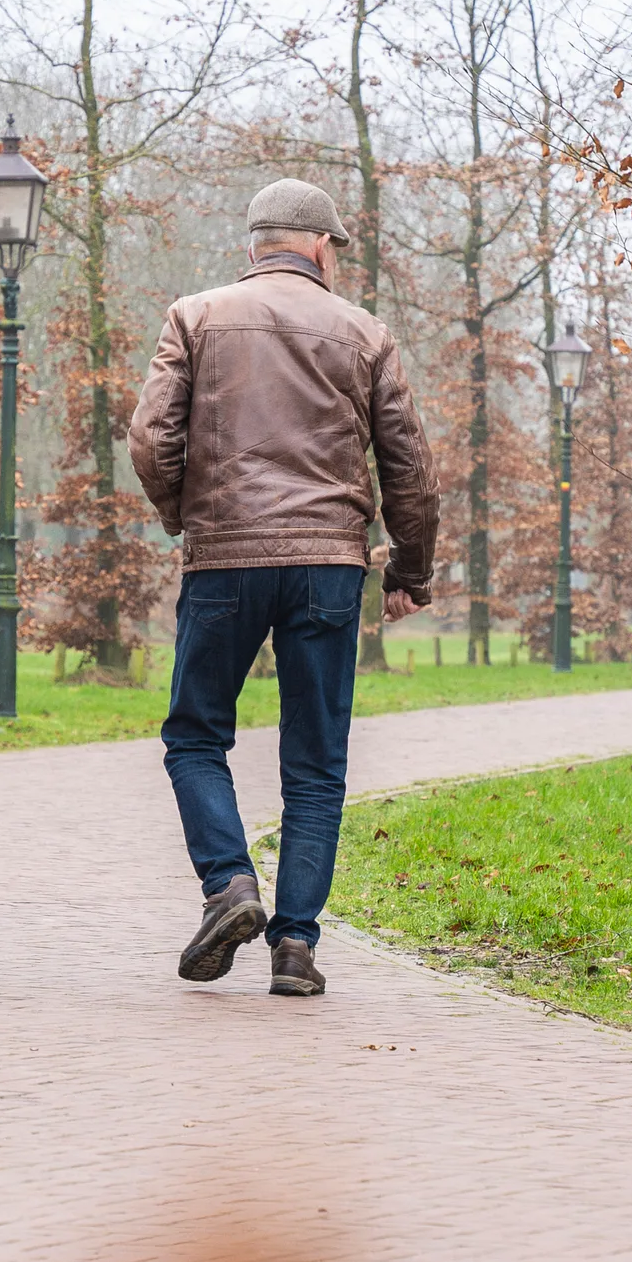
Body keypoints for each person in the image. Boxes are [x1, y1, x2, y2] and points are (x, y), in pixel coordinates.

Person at [127, 177, 439, 999]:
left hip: (224, 557)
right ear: (320, 247)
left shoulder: (194, 318)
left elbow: (152, 437)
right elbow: (409, 465)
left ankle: (230, 884)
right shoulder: (364, 332)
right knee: (315, 762)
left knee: (195, 736)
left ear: (254, 243)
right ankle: (296, 947)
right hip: (328, 567)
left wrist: (182, 515)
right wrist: (409, 568)